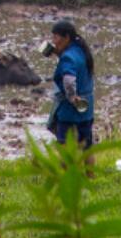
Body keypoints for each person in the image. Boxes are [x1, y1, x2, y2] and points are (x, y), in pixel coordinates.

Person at [46, 19, 95, 149]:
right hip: (87, 108)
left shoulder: (67, 58)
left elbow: (69, 80)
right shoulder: (81, 50)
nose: (54, 42)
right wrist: (58, 54)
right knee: (86, 146)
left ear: (66, 37)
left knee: (64, 145)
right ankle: (89, 170)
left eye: (56, 37)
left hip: (70, 110)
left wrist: (72, 98)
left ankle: (66, 169)